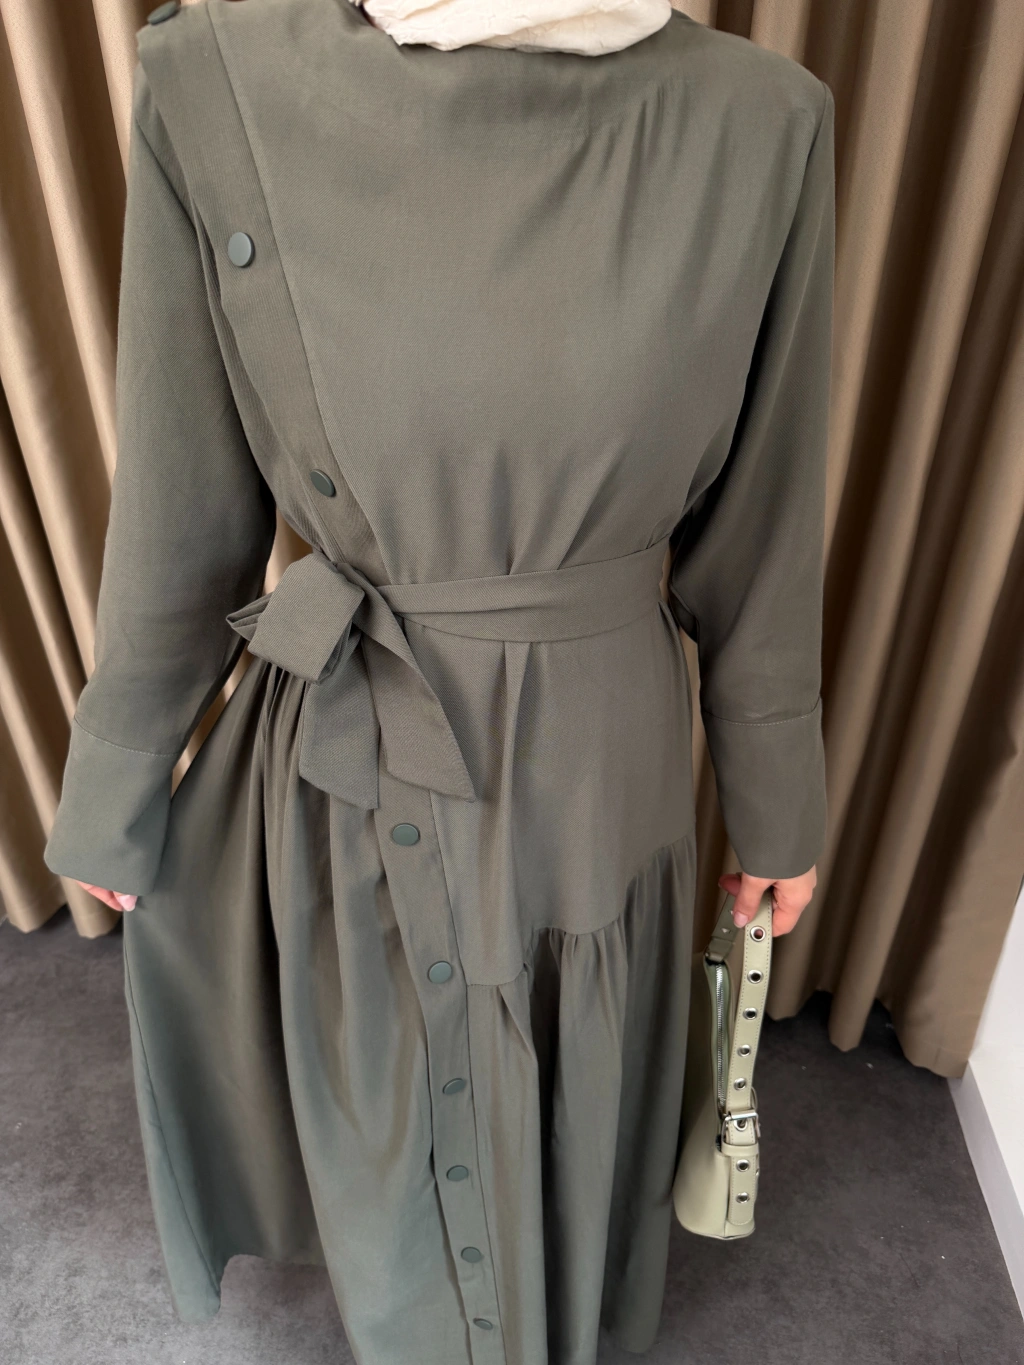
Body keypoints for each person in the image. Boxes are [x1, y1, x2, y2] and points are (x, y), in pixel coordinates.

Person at [44, 0, 833, 1360]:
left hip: (598, 762)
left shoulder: (765, 124)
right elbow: (184, 498)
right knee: (392, 1095)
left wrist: (777, 799)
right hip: (354, 743)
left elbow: (763, 517)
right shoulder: (217, 76)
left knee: (578, 1081)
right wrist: (120, 769)